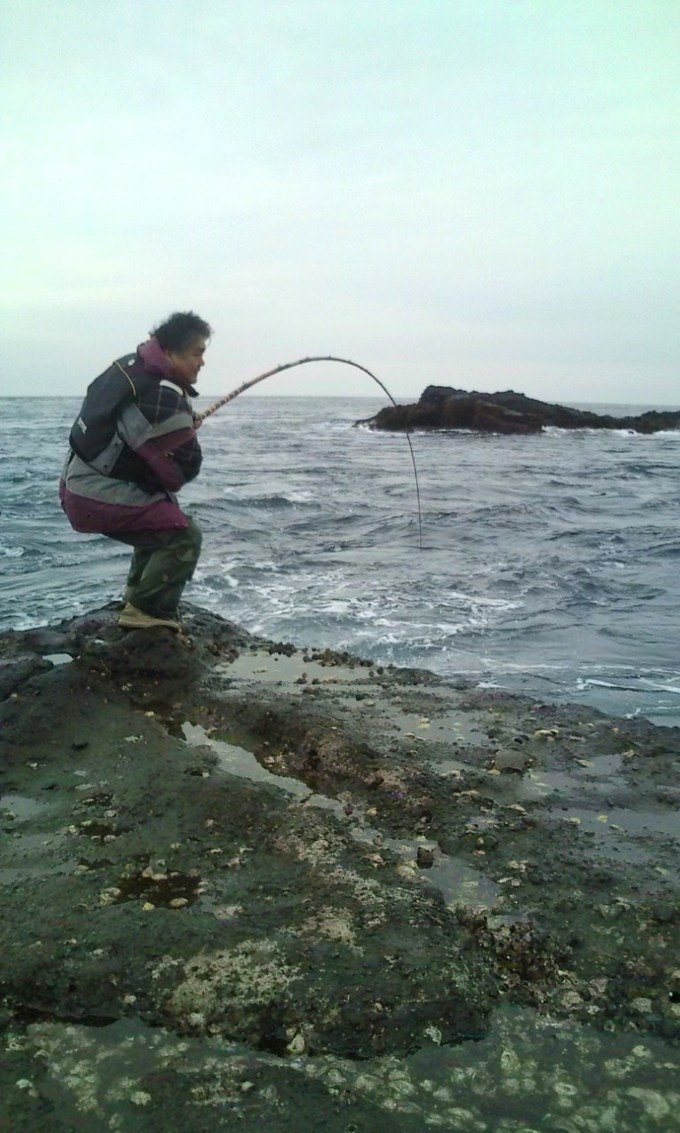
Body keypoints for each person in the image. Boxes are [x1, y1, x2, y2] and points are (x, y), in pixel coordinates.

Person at [60, 311, 212, 632]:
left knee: (161, 510)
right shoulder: (163, 394)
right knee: (184, 535)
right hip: (95, 496)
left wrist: (180, 427)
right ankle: (146, 609)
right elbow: (182, 472)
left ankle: (134, 596)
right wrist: (186, 430)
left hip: (75, 486)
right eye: (197, 353)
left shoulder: (131, 369)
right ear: (171, 351)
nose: (202, 362)